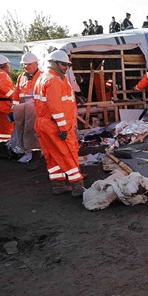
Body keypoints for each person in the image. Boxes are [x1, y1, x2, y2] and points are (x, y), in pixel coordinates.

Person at [33, 50, 85, 197]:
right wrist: (63, 128)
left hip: (44, 124)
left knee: (52, 155)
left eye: (67, 65)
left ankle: (58, 185)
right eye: (63, 64)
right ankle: (77, 187)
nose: (66, 68)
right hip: (55, 126)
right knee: (66, 154)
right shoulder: (54, 80)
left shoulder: (43, 78)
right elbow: (55, 106)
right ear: (54, 63)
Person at [10, 52, 42, 163]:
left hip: (37, 111)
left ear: (36, 64)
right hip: (23, 111)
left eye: (28, 64)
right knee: (23, 131)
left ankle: (36, 156)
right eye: (24, 64)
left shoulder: (43, 77)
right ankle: (27, 152)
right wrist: (14, 109)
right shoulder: (21, 77)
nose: (26, 66)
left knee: (35, 132)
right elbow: (16, 94)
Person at [0, 55, 14, 142]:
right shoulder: (2, 74)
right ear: (4, 65)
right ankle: (4, 149)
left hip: (1, 106)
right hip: (4, 107)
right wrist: (14, 96)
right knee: (6, 130)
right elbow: (3, 87)